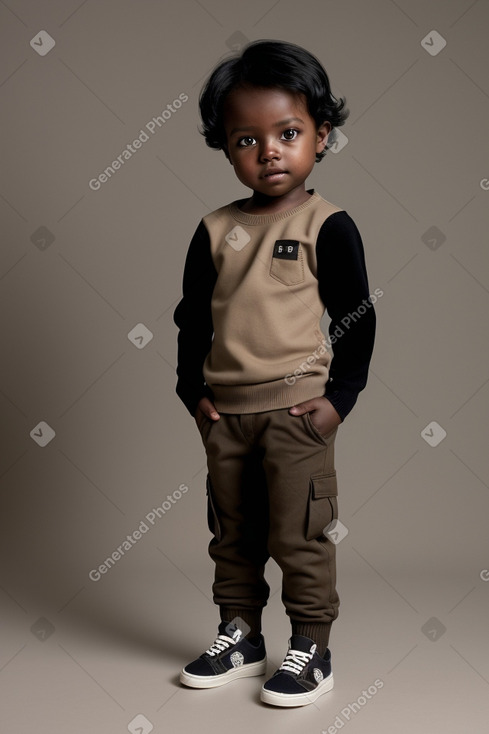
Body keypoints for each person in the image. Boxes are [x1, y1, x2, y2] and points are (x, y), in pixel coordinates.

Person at [173, 39, 376, 707]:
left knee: (299, 533)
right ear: (224, 147)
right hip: (225, 417)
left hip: (297, 416)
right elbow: (191, 321)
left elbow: (354, 317)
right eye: (245, 139)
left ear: (320, 135)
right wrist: (193, 394)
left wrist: (338, 400)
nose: (268, 152)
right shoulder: (212, 230)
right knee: (232, 532)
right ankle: (240, 634)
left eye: (287, 133)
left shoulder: (329, 225)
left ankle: (311, 646)